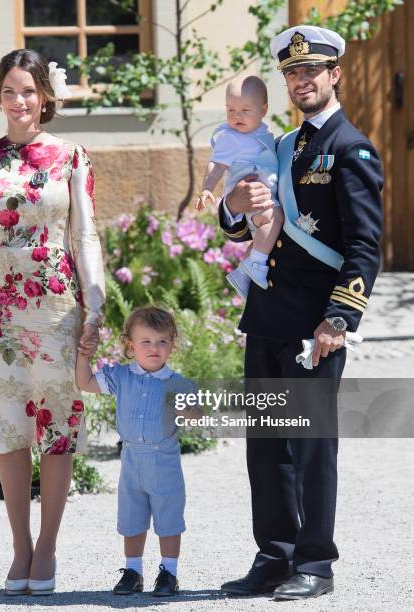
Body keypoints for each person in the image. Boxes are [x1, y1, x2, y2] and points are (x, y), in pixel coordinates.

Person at [218, 26, 383, 600]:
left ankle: (315, 561)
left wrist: (339, 319)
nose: (301, 81)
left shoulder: (350, 147)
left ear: (334, 74)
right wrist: (233, 209)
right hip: (266, 316)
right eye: (292, 73)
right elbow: (249, 217)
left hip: (314, 323)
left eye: (311, 70)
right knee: (266, 446)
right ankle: (274, 554)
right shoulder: (284, 146)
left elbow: (364, 245)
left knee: (310, 445)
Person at [0, 49, 105, 595]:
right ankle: (20, 547)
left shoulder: (71, 156)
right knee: (8, 426)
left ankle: (49, 549)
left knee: (57, 427)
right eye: (9, 91)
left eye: (29, 91)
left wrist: (97, 304)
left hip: (59, 307)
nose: (19, 101)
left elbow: (85, 234)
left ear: (46, 97)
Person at [76, 305, 199, 597]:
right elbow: (85, 383)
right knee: (131, 518)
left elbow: (196, 415)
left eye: (162, 342)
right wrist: (83, 356)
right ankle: (132, 571)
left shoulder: (178, 383)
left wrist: (188, 409)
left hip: (164, 461)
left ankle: (169, 573)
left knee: (168, 518)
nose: (154, 348)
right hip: (131, 461)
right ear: (130, 346)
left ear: (172, 345)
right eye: (146, 342)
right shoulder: (121, 376)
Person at [195, 76, 283, 299]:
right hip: (250, 196)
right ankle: (255, 263)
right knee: (274, 217)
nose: (237, 116)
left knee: (269, 227)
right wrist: (207, 188)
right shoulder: (230, 137)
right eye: (231, 110)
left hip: (266, 192)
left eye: (245, 110)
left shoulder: (265, 131)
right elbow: (216, 165)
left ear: (263, 110)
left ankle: (247, 270)